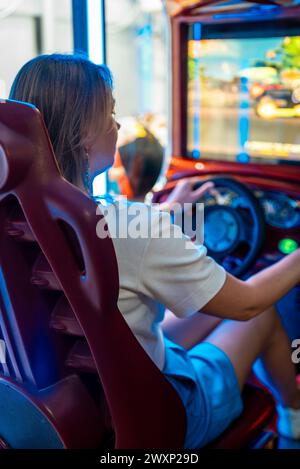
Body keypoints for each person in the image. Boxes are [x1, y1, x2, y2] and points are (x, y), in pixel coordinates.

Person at [10, 54, 300, 448]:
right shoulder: (134, 225)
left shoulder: (16, 221)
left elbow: (115, 234)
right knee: (262, 316)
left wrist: (163, 214)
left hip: (81, 401)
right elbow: (246, 303)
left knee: (193, 314)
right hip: (162, 412)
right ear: (81, 134)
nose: (117, 125)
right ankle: (292, 423)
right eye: (110, 114)